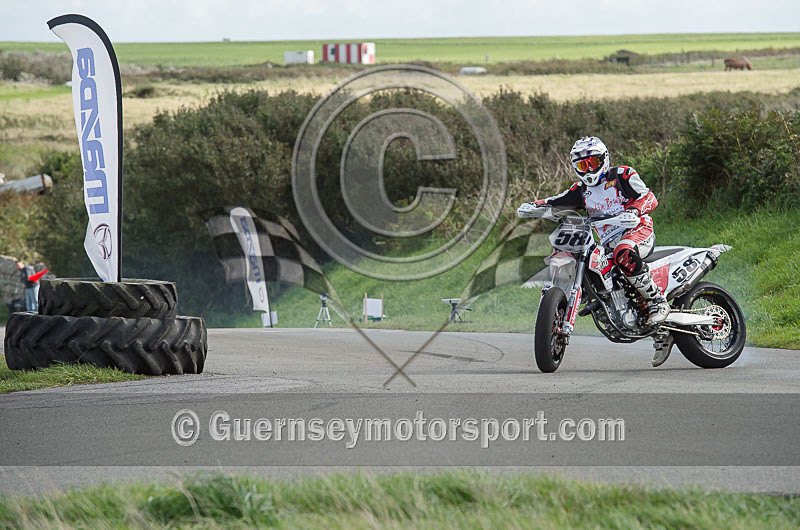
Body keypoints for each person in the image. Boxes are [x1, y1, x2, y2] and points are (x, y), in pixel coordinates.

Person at [517, 136, 670, 325]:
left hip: (638, 230)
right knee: (592, 261)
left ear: (604, 159)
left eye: (593, 163)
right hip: (607, 242)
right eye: (583, 166)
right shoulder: (581, 190)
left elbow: (649, 197)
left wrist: (634, 210)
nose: (588, 170)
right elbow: (555, 201)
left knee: (623, 251)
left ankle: (657, 301)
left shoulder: (622, 175)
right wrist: (533, 206)